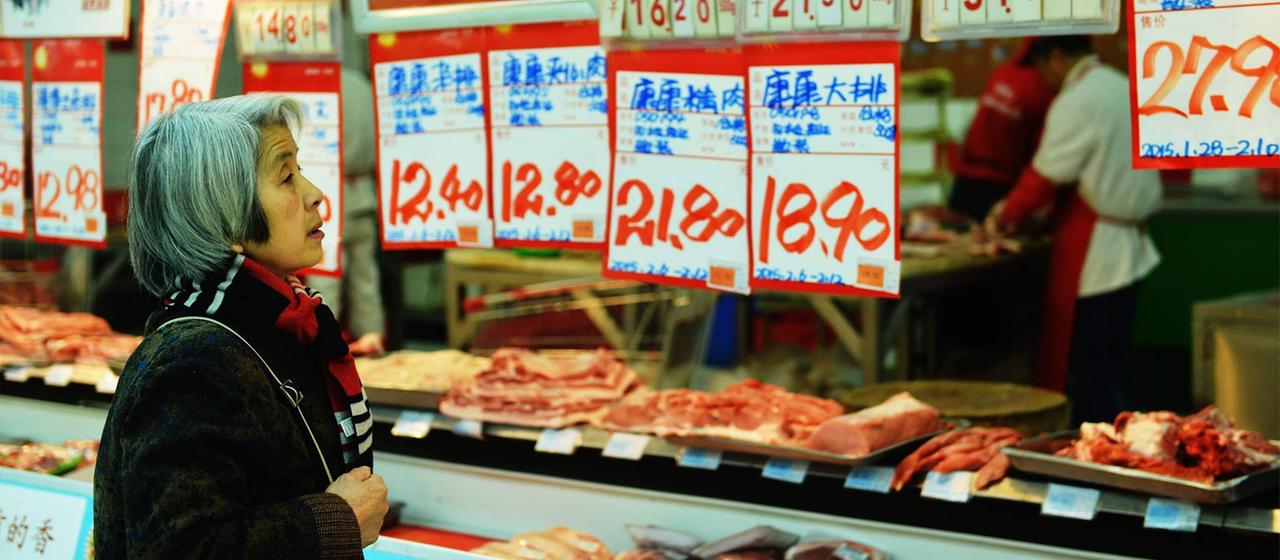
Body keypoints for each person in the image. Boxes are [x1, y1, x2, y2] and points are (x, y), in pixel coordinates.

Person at [95, 95, 388, 559]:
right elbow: (180, 550)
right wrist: (338, 519)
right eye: (286, 176)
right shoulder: (194, 358)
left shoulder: (270, 323)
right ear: (224, 215)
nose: (315, 195)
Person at [986, 36, 1162, 423]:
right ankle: (1122, 447)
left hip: (1100, 250)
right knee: (1114, 358)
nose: (1042, 78)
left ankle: (1100, 452)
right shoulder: (1121, 85)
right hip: (1127, 241)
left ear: (1057, 56)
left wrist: (1000, 218)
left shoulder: (1079, 99)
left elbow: (1046, 176)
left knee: (1092, 365)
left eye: (1042, 67)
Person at [306, 68, 387, 356]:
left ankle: (329, 352)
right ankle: (374, 342)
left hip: (328, 198)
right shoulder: (361, 85)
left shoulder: (312, 86)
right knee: (366, 279)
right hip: (364, 195)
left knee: (326, 280)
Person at [948, 38, 1056, 221]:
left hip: (965, 180)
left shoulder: (1003, 73)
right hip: (999, 186)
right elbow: (1041, 152)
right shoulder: (1044, 87)